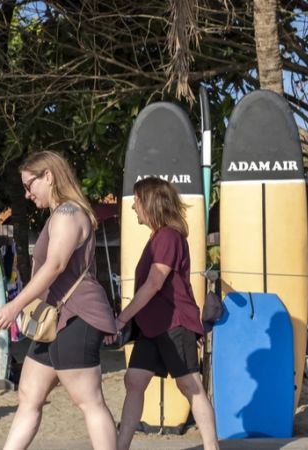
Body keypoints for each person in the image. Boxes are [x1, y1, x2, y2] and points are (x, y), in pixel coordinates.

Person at [0, 150, 117, 450]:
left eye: (29, 185)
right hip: (55, 319)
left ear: (48, 176)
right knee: (29, 395)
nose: (27, 194)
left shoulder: (67, 214)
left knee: (89, 401)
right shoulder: (62, 214)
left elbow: (56, 265)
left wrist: (15, 304)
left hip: (76, 317)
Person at [105, 177, 218, 450]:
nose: (134, 208)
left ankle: (212, 447)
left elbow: (155, 283)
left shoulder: (168, 236)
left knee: (189, 385)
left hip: (175, 323)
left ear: (150, 203)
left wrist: (122, 318)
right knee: (134, 380)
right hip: (153, 326)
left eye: (138, 201)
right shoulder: (159, 236)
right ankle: (121, 446)